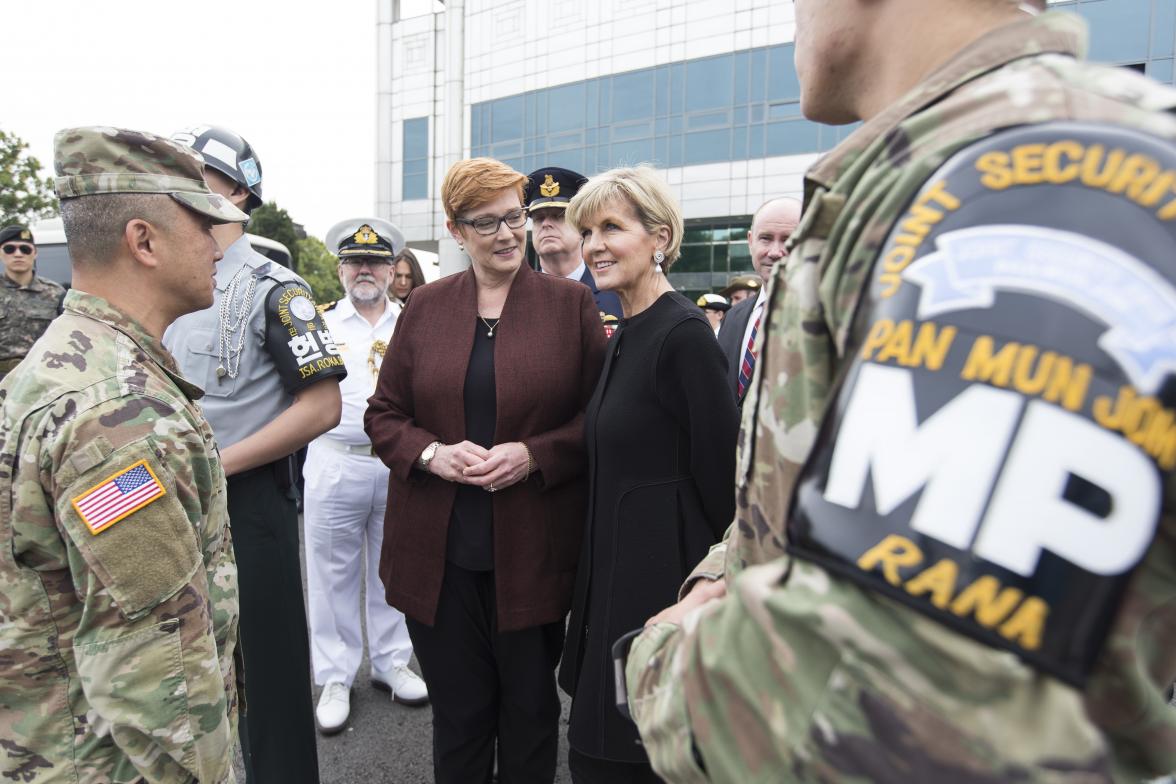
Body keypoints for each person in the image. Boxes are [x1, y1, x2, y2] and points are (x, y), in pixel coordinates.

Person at [623, 1, 1176, 782]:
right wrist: (724, 573)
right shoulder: (927, 169)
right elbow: (810, 483)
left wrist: (658, 661)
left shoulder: (1048, 166)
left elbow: (908, 714)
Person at [0, 126, 246, 782]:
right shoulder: (117, 415)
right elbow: (156, 678)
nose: (219, 243)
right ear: (144, 240)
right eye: (202, 223)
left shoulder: (65, 360)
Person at [365, 157, 607, 784]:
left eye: (515, 218)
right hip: (438, 559)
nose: (507, 234)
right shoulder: (423, 306)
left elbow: (598, 419)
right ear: (454, 230)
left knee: (529, 716)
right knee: (461, 719)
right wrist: (431, 454)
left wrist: (534, 455)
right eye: (486, 223)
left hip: (532, 551)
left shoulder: (570, 307)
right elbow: (384, 414)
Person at [165, 125, 345, 784]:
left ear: (237, 189)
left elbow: (322, 407)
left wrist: (217, 464)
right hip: (167, 504)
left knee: (268, 683)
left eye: (194, 173)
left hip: (248, 505)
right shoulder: (163, 279)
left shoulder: (279, 288)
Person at [559, 166, 739, 783]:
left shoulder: (684, 335)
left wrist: (704, 599)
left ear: (659, 237)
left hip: (660, 599)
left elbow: (727, 488)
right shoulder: (624, 335)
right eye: (587, 231)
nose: (594, 244)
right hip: (609, 591)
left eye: (612, 227)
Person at [306, 217, 428, 736]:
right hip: (336, 457)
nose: (365, 270)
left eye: (376, 261)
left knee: (394, 566)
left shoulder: (414, 321)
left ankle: (391, 661)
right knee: (331, 572)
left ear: (392, 268)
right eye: (355, 261)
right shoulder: (317, 323)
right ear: (340, 268)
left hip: (398, 462)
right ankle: (335, 675)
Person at [716, 198, 801, 405]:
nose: (775, 252)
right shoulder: (733, 318)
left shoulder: (824, 319)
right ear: (750, 241)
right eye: (766, 238)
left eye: (788, 240)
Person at [526, 166, 624, 321]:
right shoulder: (517, 298)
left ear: (582, 230)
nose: (546, 224)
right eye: (538, 218)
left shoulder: (616, 294)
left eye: (558, 216)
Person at [0, 225, 65, 381]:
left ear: (35, 253)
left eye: (25, 249)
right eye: (10, 249)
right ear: (1, 253)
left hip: (41, 379)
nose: (18, 254)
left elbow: (65, 339)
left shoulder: (55, 293)